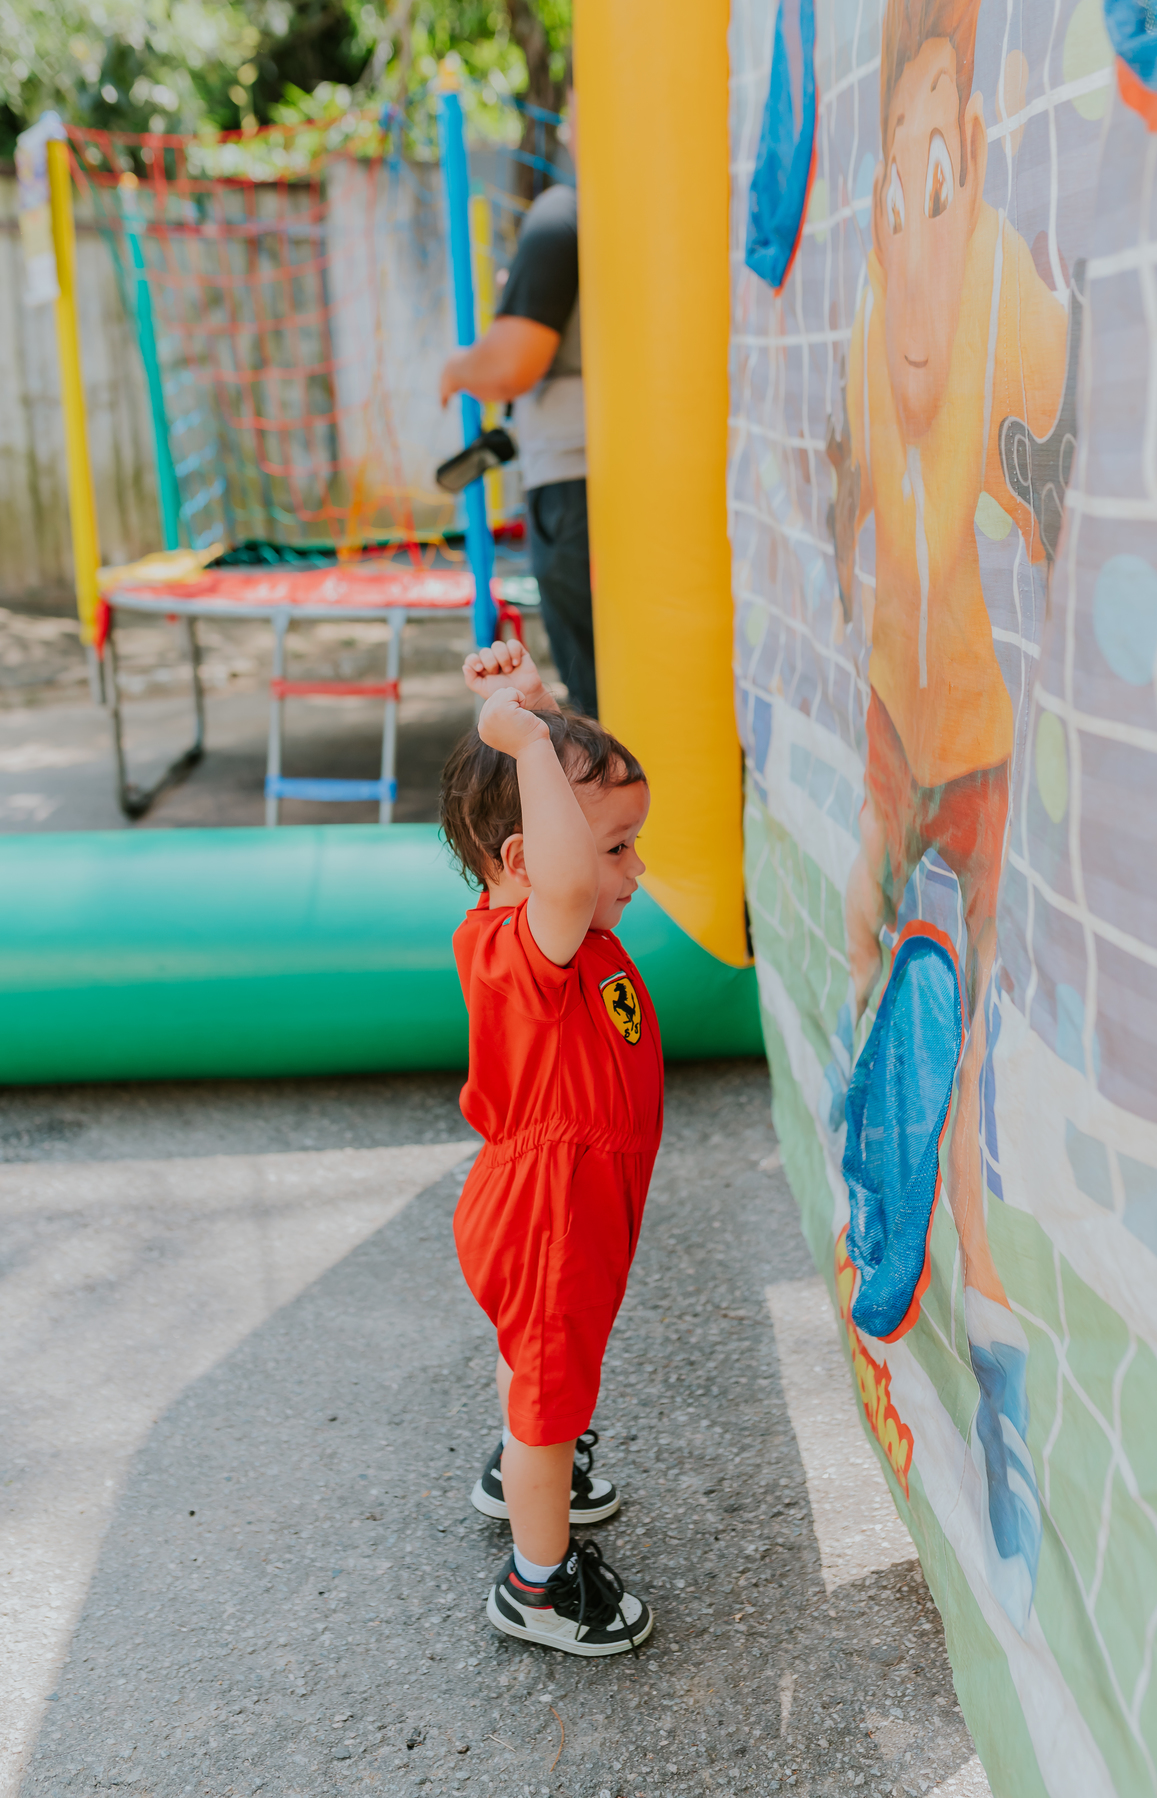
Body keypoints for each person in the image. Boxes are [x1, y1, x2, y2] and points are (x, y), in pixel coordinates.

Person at [825, 0, 1070, 1633]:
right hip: (894, 736)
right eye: (897, 170)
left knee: (960, 1060)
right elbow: (855, 492)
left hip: (970, 744)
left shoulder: (999, 289)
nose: (919, 201)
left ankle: (996, 1392)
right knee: (882, 1000)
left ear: (970, 148)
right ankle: (903, 1323)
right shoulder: (873, 304)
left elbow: (1035, 492)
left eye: (940, 156)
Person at [439, 635, 660, 1654]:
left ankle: (530, 1463)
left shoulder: (529, 916)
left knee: (539, 1370)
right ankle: (537, 1582)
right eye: (615, 847)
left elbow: (558, 843)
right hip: (548, 1216)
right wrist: (527, 745)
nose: (635, 866)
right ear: (529, 861)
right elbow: (566, 876)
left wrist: (538, 712)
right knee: (546, 1387)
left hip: (555, 1201)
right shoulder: (532, 942)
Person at [439, 87, 596, 718]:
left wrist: (457, 368)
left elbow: (508, 366)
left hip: (577, 485)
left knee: (595, 698)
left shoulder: (563, 215)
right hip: (616, 480)